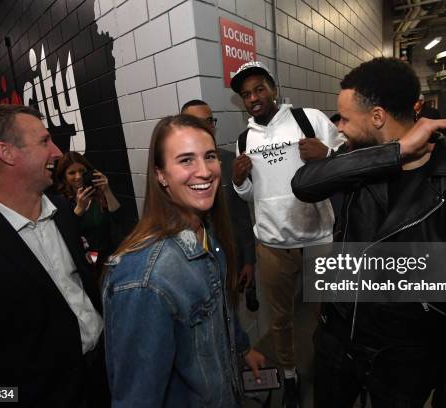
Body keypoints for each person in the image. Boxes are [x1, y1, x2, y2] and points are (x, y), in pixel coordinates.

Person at [292, 57, 446, 408]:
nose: (338, 127)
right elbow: (304, 184)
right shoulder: (356, 159)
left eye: (343, 118)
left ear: (377, 117)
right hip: (338, 344)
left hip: (405, 361)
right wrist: (397, 151)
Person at [0, 104, 109, 408]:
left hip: (104, 379)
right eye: (44, 141)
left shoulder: (63, 214)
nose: (56, 151)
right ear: (6, 153)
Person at [103, 115, 266, 407]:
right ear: (161, 175)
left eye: (210, 156)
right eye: (186, 160)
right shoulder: (144, 278)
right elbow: (138, 398)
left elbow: (220, 309)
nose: (204, 171)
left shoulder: (207, 233)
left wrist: (241, 348)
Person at [230, 60, 344, 407]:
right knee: (280, 320)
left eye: (259, 89)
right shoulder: (244, 138)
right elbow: (252, 195)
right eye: (246, 94)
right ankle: (290, 375)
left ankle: (331, 370)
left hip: (318, 238)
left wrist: (327, 155)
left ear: (273, 89)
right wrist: (239, 181)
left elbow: (348, 161)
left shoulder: (308, 119)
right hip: (273, 245)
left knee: (332, 311)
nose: (253, 98)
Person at [180, 99, 258, 311]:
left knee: (230, 318)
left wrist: (249, 260)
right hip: (193, 268)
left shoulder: (229, 161)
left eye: (209, 121)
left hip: (230, 264)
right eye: (196, 122)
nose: (205, 128)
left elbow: (241, 215)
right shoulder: (175, 168)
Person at [56, 151, 121, 280]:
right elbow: (66, 235)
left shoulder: (98, 194)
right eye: (72, 173)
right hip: (84, 264)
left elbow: (118, 217)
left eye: (82, 171)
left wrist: (106, 190)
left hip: (108, 257)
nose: (78, 176)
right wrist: (79, 208)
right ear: (64, 176)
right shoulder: (61, 202)